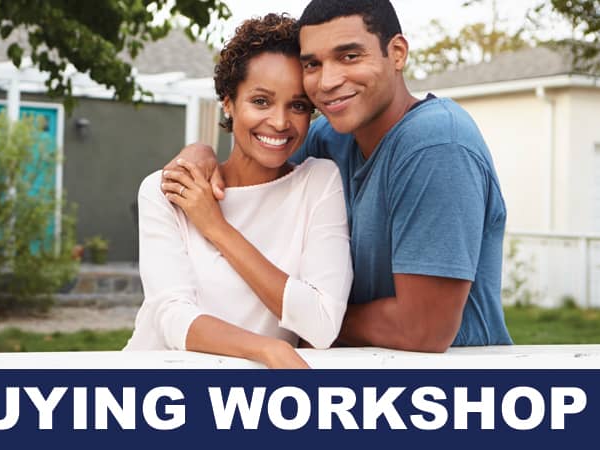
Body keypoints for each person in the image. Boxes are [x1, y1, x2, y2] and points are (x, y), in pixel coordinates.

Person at [164, 0, 513, 352]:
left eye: (349, 56)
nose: (328, 81)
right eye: (312, 64)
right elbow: (256, 161)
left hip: (450, 375)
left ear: (396, 53)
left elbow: (422, 329)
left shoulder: (437, 145)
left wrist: (317, 318)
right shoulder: (331, 140)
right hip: (346, 372)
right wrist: (200, 153)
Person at [123, 14, 353, 368]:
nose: (280, 122)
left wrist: (217, 228)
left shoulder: (318, 183)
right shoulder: (169, 188)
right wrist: (266, 349)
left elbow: (322, 324)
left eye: (297, 106)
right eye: (260, 101)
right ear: (228, 102)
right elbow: (170, 317)